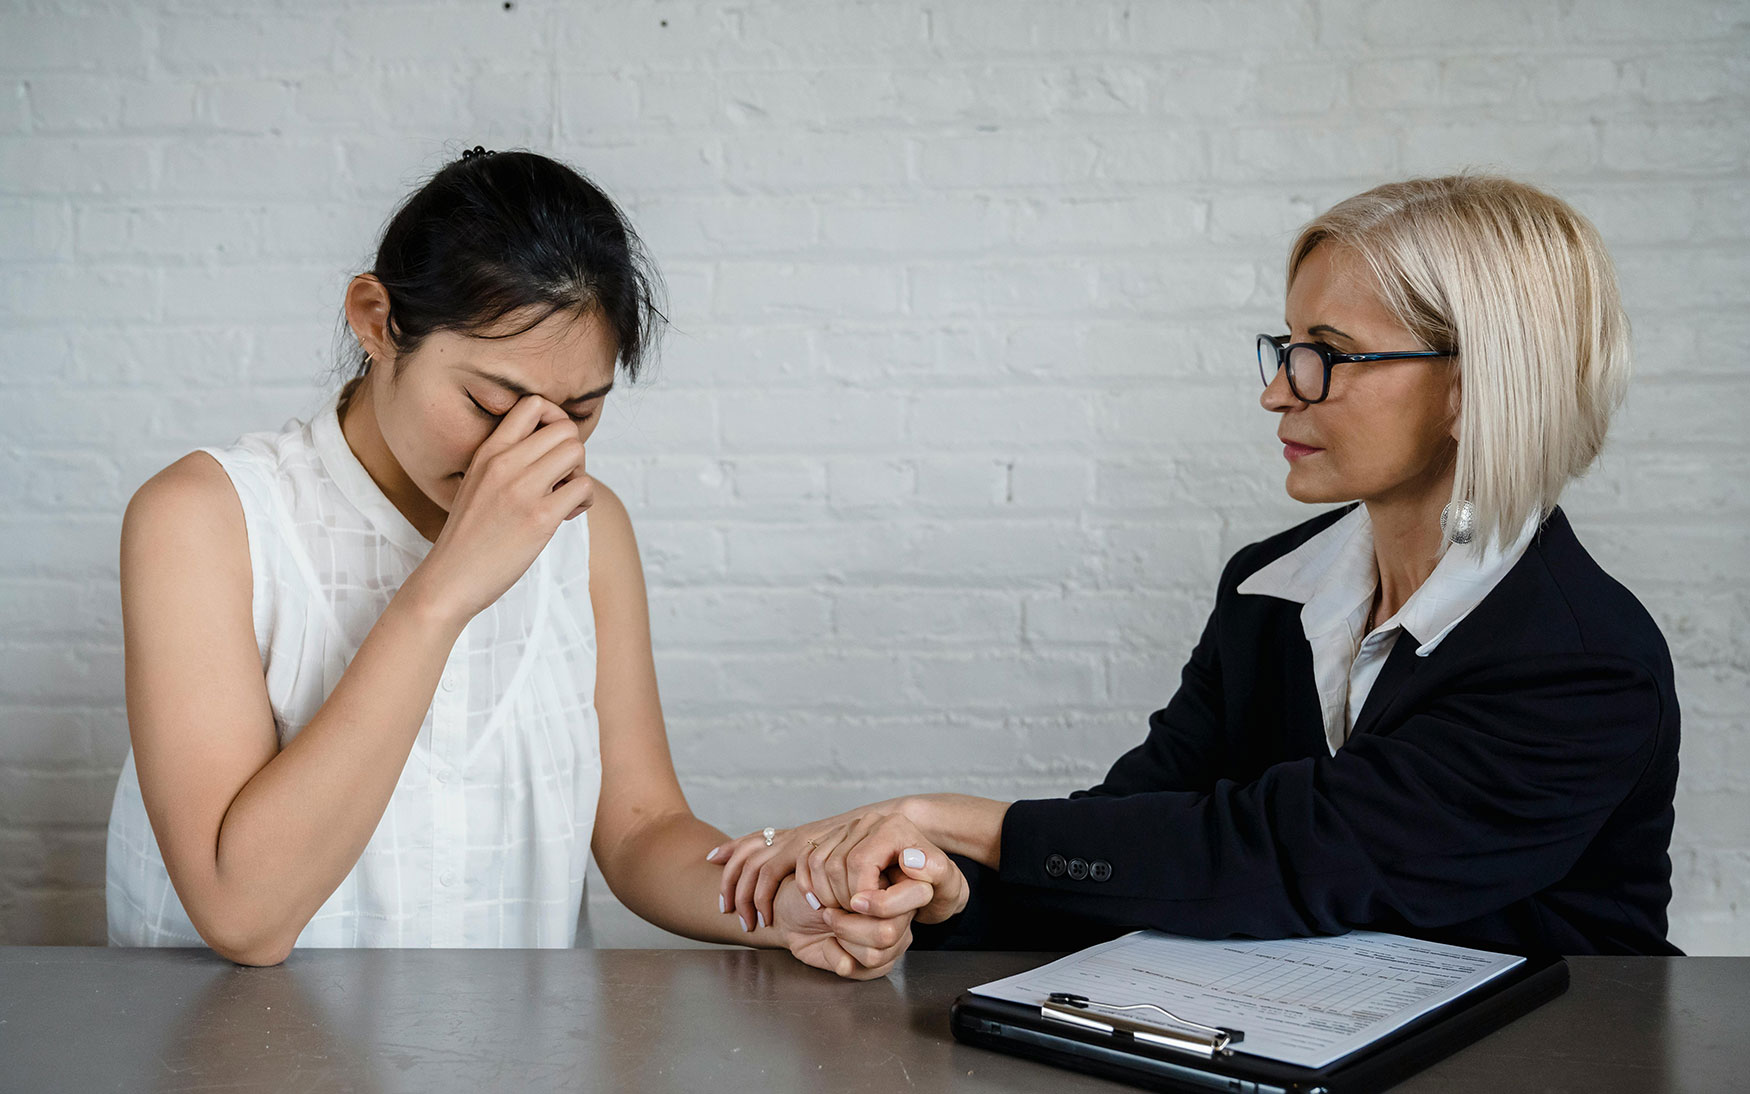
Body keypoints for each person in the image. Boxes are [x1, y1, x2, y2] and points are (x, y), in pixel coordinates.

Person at [713, 174, 1683, 957]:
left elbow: (1285, 854)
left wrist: (937, 811)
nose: (1276, 391)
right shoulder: (1268, 589)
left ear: (1471, 388)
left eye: (1325, 355)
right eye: (1287, 346)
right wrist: (942, 885)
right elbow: (1142, 831)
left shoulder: (1581, 658)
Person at [104, 147, 920, 977]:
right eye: (488, 404)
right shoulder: (205, 519)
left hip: (509, 1050)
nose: (523, 452)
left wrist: (787, 904)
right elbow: (243, 913)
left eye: (578, 412)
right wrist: (447, 587)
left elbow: (641, 832)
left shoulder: (591, 531)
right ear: (376, 321)